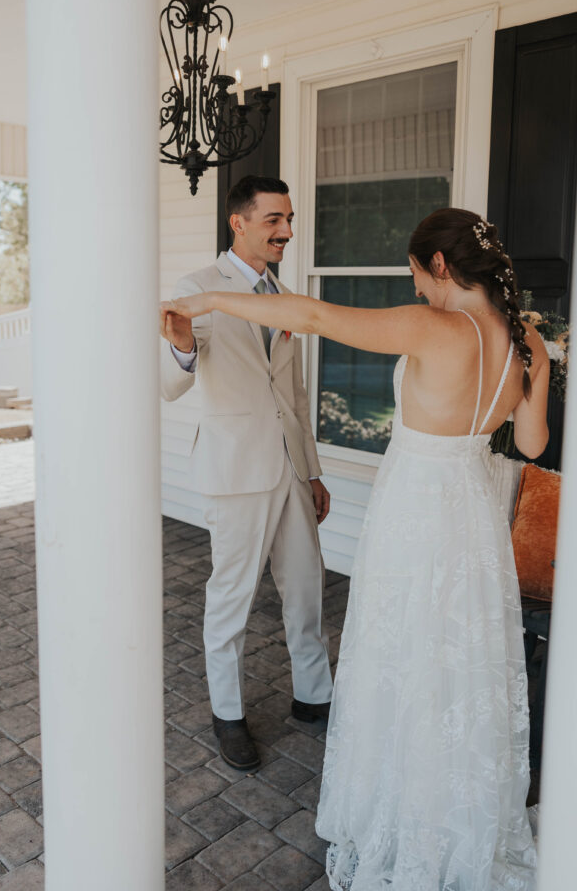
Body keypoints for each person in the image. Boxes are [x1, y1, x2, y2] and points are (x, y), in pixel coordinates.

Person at [161, 207, 549, 891]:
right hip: (474, 516)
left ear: (436, 266)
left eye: (416, 277)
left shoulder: (433, 326)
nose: (419, 291)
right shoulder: (527, 344)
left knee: (403, 653)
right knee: (461, 664)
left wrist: (211, 298)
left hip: (417, 514)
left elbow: (312, 316)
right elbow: (529, 445)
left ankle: (401, 809)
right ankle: (461, 813)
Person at [160, 175, 333, 772]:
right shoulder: (198, 288)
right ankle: (227, 714)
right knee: (231, 597)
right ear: (239, 222)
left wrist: (311, 473)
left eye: (289, 219)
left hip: (290, 469)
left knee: (307, 589)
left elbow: (294, 391)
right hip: (235, 469)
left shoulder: (281, 293)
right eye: (274, 220)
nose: (287, 230)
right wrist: (181, 346)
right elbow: (168, 383)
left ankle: (314, 698)